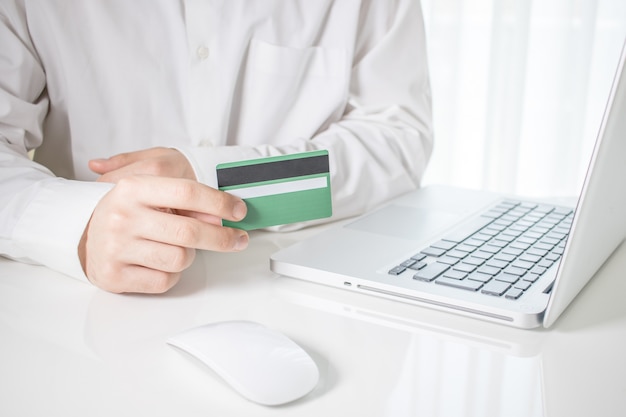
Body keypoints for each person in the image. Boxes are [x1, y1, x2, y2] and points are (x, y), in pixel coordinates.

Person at [0, 0, 433, 294]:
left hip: (301, 289)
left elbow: (397, 138)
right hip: (74, 299)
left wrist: (218, 182)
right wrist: (79, 225)